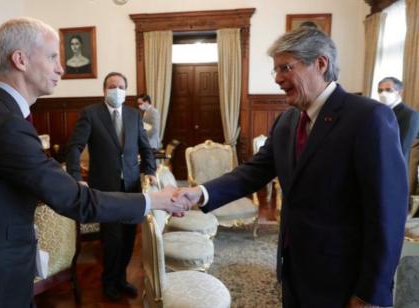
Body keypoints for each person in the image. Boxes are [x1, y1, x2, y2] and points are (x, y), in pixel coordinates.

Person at [0, 18, 187, 308]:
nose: (60, 68)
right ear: (20, 59)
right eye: (52, 57)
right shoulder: (3, 122)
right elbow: (77, 201)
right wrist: (154, 201)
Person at [175, 27, 408, 308]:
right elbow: (254, 171)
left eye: (285, 68)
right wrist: (198, 193)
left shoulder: (368, 117)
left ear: (320, 64)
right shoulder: (286, 122)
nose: (278, 79)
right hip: (293, 268)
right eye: (275, 70)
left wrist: (371, 293)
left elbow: (387, 213)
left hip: (342, 279)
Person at [66, 72, 156, 301]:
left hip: (132, 187)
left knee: (128, 238)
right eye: (112, 86)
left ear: (126, 90)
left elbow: (145, 147)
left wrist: (151, 170)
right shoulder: (90, 114)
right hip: (105, 188)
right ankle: (108, 282)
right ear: (104, 90)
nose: (116, 90)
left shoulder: (135, 115)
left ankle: (121, 279)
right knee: (112, 239)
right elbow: (75, 147)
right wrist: (76, 176)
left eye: (121, 86)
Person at [376, 76, 419, 168]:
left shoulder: (410, 115)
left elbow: (402, 147)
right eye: (380, 90)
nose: (383, 93)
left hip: (395, 167)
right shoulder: (377, 112)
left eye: (388, 90)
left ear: (399, 93)